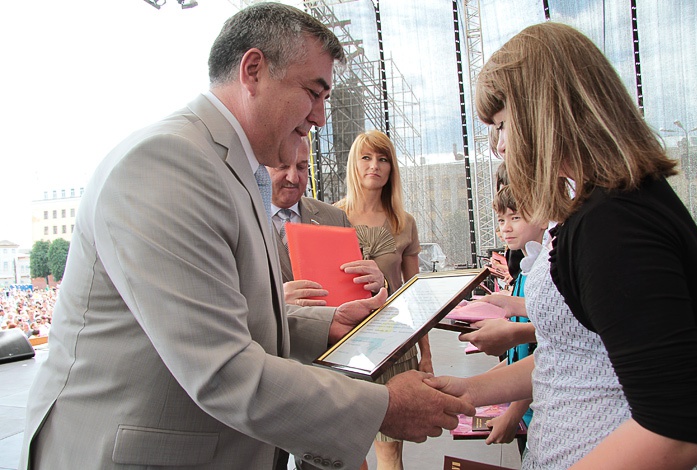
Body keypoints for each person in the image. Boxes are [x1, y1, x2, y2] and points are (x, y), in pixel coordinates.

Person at [19, 5, 471, 470]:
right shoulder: (170, 162)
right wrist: (384, 408)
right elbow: (221, 368)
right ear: (253, 70)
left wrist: (326, 324)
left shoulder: (232, 169)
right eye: (313, 93)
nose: (320, 117)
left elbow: (221, 311)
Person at [427, 22, 697, 469]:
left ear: (545, 112)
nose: (500, 146)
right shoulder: (599, 208)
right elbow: (571, 358)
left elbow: (674, 429)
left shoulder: (615, 224)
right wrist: (469, 390)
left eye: (502, 125)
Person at [336, 129, 432, 470]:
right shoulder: (331, 217)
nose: (374, 165)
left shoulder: (404, 223)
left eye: (383, 158)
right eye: (366, 157)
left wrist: (426, 353)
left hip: (395, 345)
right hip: (344, 347)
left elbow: (415, 293)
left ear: (392, 168)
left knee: (390, 452)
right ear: (354, 164)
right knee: (347, 453)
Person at [462, 184, 545, 452]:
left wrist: (512, 414)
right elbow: (519, 357)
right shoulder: (526, 272)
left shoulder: (546, 274)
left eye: (515, 217)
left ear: (544, 217)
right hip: (529, 409)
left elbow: (545, 354)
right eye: (501, 220)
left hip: (542, 408)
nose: (505, 228)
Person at [266, 135, 386, 307]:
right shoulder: (241, 218)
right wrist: (275, 301)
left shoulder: (335, 218)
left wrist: (379, 283)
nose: (293, 178)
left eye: (301, 167)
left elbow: (361, 290)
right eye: (282, 166)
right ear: (262, 166)